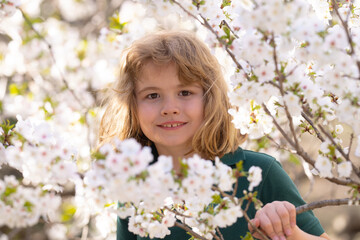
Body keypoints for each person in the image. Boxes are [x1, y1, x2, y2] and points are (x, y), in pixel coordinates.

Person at [99, 31, 330, 240]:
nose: (169, 108)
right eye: (152, 96)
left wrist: (291, 234)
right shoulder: (133, 186)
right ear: (132, 106)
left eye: (185, 92)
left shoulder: (259, 173)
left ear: (210, 98)